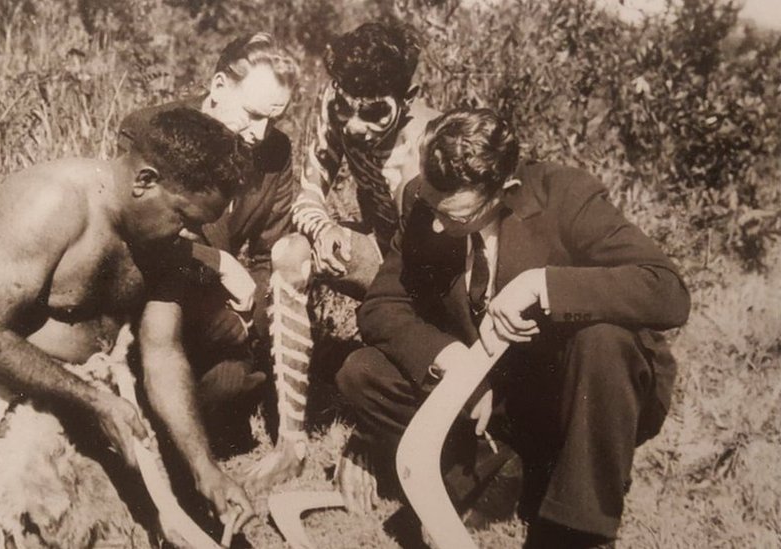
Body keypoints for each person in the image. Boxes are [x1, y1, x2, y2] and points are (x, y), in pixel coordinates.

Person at [0, 107, 253, 548]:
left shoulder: (165, 239)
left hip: (73, 385)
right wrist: (97, 403)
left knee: (131, 526)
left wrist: (205, 468)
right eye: (185, 219)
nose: (193, 238)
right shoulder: (49, 202)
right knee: (33, 518)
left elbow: (162, 354)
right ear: (145, 182)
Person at [335, 108, 691, 548]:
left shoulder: (566, 196)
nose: (436, 225)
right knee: (363, 372)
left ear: (503, 191)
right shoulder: (424, 201)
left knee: (605, 340)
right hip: (496, 395)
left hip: (576, 395)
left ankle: (577, 529)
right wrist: (452, 361)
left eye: (455, 215)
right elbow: (383, 305)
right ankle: (496, 469)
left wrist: (543, 284)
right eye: (431, 204)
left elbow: (668, 290)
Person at [117, 32, 304, 488]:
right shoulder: (150, 129)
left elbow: (268, 254)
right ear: (219, 87)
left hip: (219, 309)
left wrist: (246, 318)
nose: (261, 133)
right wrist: (217, 261)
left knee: (226, 386)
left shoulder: (274, 151)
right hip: (156, 289)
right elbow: (130, 233)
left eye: (274, 117)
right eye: (253, 114)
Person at [265, 20, 441, 485]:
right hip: (381, 251)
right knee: (289, 254)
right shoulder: (335, 102)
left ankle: (382, 427)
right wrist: (322, 229)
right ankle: (291, 440)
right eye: (345, 107)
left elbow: (434, 287)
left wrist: (368, 437)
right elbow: (309, 191)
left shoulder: (426, 140)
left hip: (425, 281)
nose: (354, 126)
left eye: (374, 113)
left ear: (409, 97)